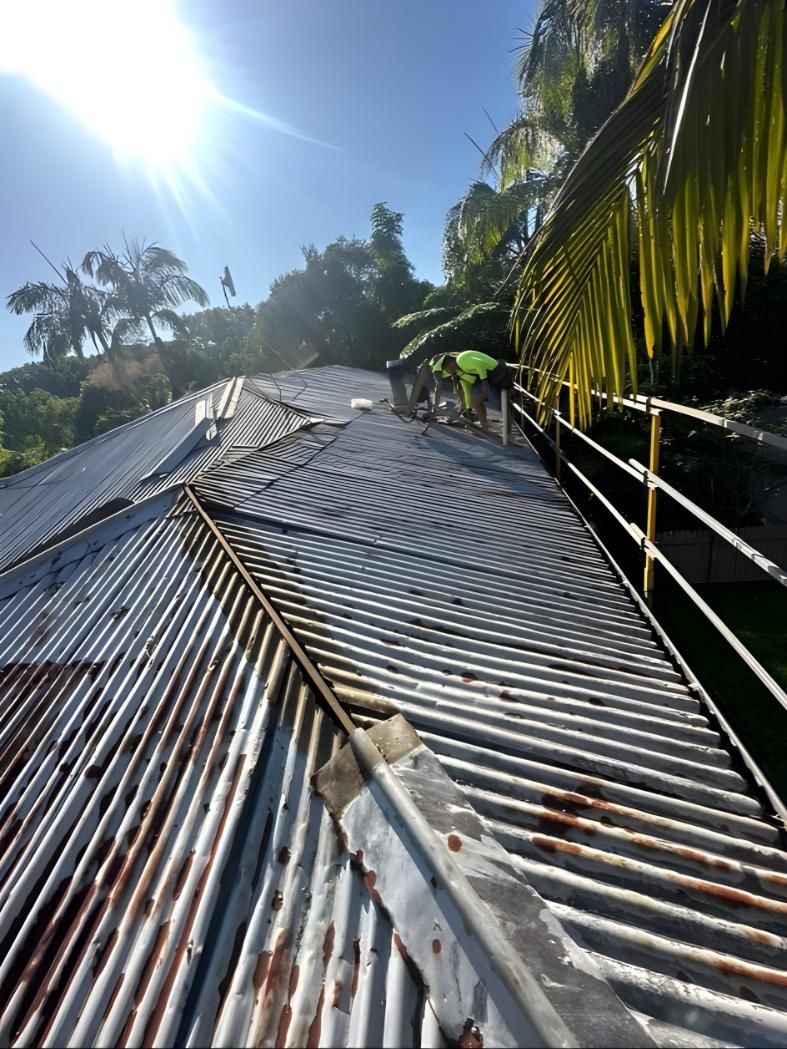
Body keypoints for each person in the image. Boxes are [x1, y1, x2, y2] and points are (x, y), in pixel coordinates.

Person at [430, 351, 513, 429]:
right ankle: (484, 427)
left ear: (449, 365)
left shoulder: (461, 360)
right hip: (490, 376)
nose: (448, 373)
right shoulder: (460, 372)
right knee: (475, 400)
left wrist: (484, 383)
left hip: (497, 373)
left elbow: (480, 364)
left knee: (500, 404)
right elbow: (467, 390)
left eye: (446, 370)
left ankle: (506, 433)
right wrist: (468, 408)